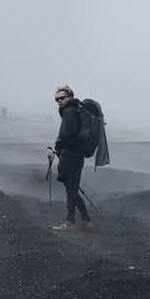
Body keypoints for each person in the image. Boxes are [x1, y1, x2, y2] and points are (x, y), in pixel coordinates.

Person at [51, 85, 92, 230]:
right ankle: (86, 219)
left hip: (71, 155)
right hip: (77, 155)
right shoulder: (77, 110)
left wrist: (56, 148)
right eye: (57, 99)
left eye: (62, 98)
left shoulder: (69, 111)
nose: (59, 101)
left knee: (71, 189)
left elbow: (65, 135)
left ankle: (70, 221)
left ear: (70, 96)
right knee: (72, 187)